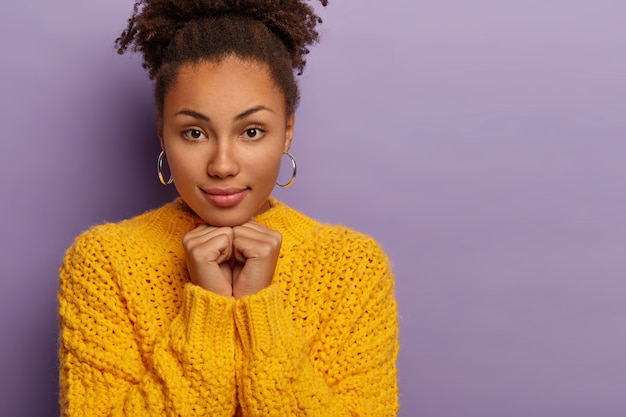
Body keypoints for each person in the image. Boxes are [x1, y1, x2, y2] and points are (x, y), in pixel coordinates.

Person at [57, 0, 399, 415]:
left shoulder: (352, 268)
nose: (222, 165)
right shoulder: (104, 262)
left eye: (251, 131)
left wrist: (261, 312)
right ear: (162, 132)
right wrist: (208, 312)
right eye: (194, 132)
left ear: (287, 131)